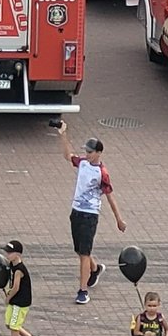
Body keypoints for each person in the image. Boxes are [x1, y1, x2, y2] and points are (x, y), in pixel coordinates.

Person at [57, 122, 125, 304]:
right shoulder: (83, 163)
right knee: (79, 250)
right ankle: (94, 269)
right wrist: (63, 135)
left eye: (90, 152)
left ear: (98, 153)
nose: (87, 154)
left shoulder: (102, 172)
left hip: (90, 215)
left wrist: (118, 219)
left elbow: (110, 195)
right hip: (76, 211)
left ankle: (83, 290)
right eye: (86, 151)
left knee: (84, 253)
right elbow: (68, 156)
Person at [0, 239, 38, 336]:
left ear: (18, 254)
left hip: (20, 302)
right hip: (15, 300)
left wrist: (8, 297)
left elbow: (16, 287)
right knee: (9, 324)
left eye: (10, 253)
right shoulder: (12, 265)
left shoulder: (19, 270)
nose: (7, 255)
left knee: (14, 326)